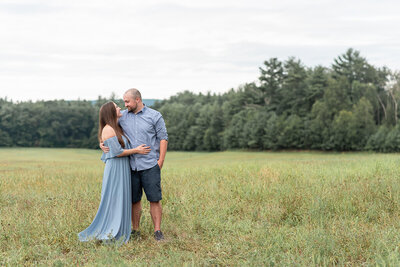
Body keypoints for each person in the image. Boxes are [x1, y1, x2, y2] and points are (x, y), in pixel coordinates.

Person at [78, 101, 151, 244]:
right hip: (116, 168)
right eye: (117, 107)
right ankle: (110, 229)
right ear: (111, 112)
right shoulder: (108, 129)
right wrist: (137, 150)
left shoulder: (116, 125)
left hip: (123, 167)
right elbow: (117, 152)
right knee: (114, 198)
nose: (120, 108)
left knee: (122, 198)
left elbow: (132, 113)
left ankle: (122, 229)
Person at [101, 88, 168, 241]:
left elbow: (163, 138)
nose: (125, 105)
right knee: (134, 200)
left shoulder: (155, 116)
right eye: (124, 102)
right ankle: (135, 230)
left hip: (150, 165)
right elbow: (108, 130)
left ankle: (157, 231)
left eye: (127, 101)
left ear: (137, 100)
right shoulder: (122, 117)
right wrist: (101, 143)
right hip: (130, 166)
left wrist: (160, 162)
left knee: (154, 199)